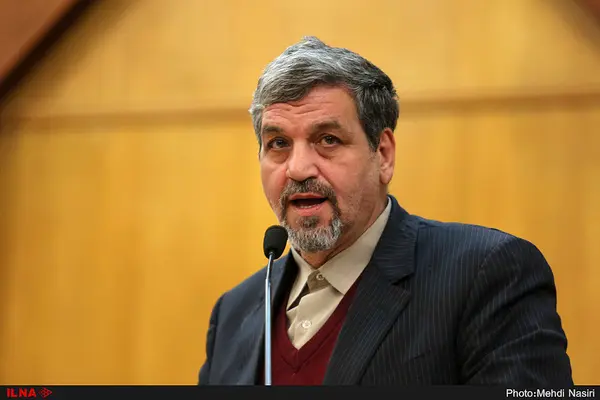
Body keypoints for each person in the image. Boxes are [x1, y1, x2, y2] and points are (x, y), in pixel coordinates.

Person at [197, 36, 573, 386]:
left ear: (383, 154)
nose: (297, 169)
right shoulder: (234, 313)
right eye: (278, 143)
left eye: (327, 139)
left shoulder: (484, 275)